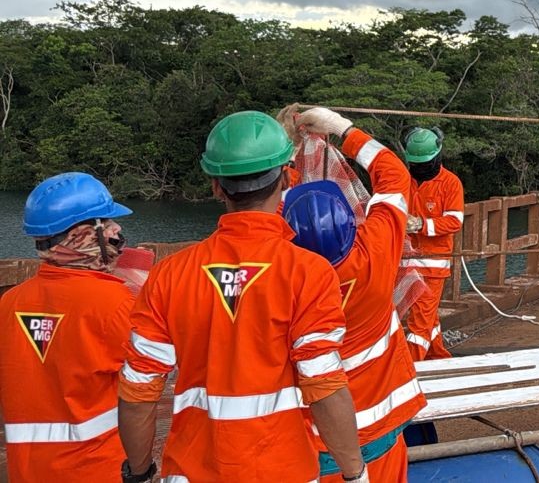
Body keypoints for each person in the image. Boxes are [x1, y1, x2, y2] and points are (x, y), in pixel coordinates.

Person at [117, 110, 367, 483]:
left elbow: (139, 390)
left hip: (192, 470)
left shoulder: (170, 273)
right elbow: (325, 385)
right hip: (282, 470)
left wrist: (139, 472)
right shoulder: (308, 272)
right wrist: (354, 474)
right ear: (285, 178)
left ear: (216, 186)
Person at [286, 107, 426, 483]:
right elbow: (393, 175)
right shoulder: (376, 250)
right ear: (352, 220)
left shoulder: (282, 279)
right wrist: (342, 128)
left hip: (313, 441)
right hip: (382, 430)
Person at [0, 173, 134, 480]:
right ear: (84, 235)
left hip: (27, 472)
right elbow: (154, 374)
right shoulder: (115, 303)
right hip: (97, 470)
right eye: (108, 222)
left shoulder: (9, 303)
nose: (117, 230)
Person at [398, 126, 462, 360]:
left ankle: (411, 367)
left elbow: (455, 221)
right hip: (407, 261)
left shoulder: (450, 183)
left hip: (434, 264)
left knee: (420, 322)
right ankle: (439, 358)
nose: (420, 170)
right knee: (427, 316)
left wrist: (421, 225)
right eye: (416, 165)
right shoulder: (406, 180)